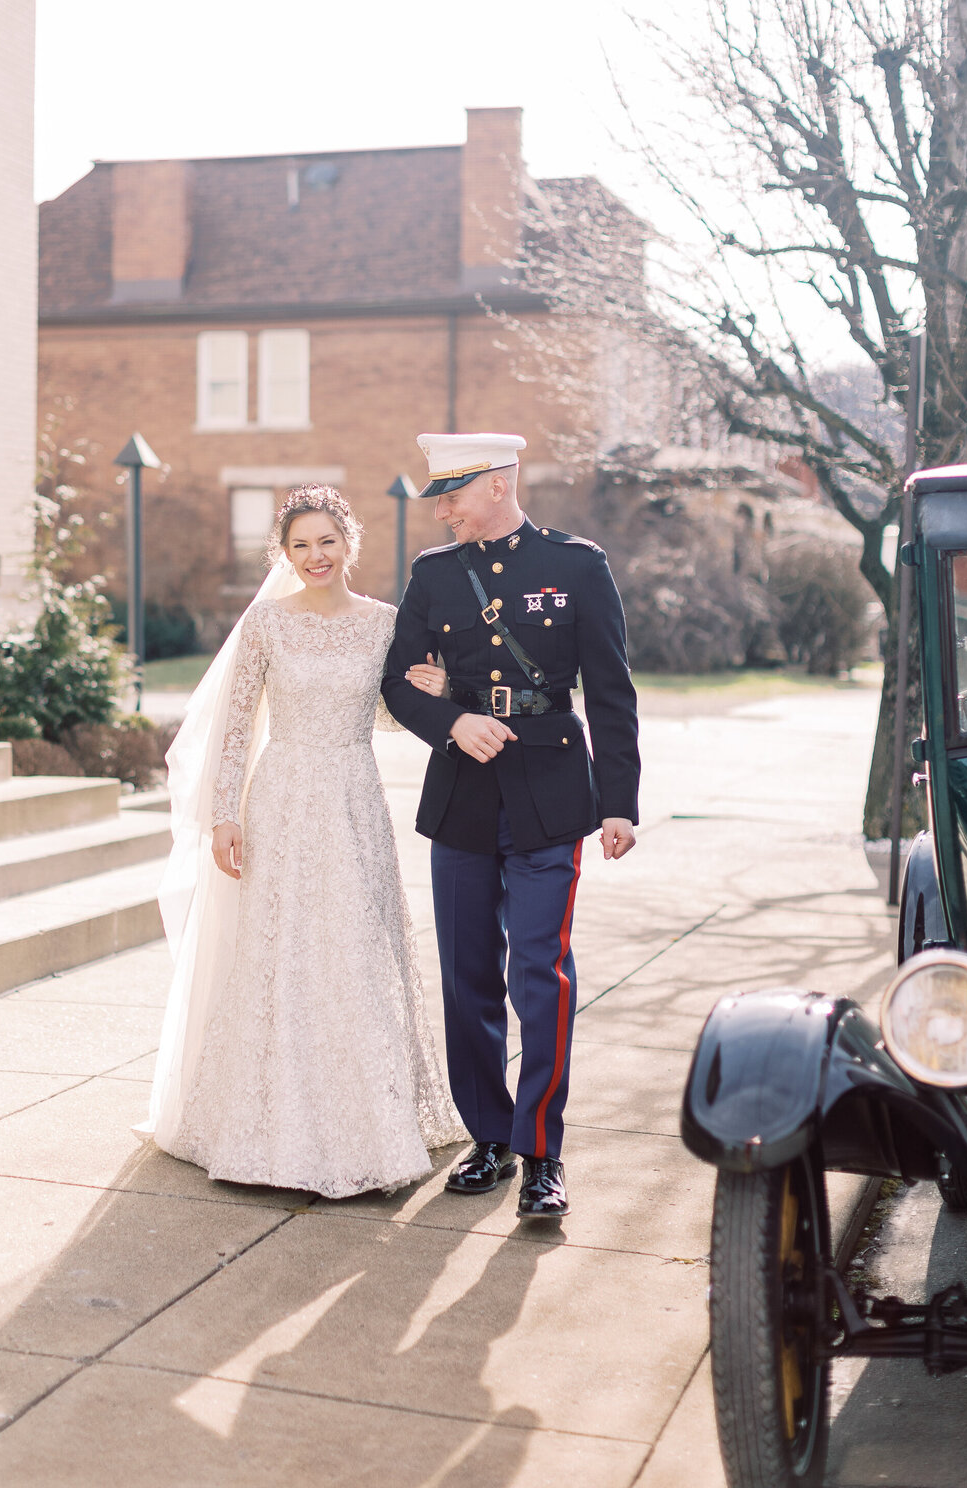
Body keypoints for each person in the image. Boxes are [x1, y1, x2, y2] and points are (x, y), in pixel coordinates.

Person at [139, 483, 462, 1197]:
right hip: (281, 799)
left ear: (349, 542)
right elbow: (235, 724)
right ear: (283, 554)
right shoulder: (266, 625)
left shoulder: (383, 623)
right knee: (283, 952)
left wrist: (432, 691)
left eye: (327, 541)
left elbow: (383, 712)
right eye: (300, 545)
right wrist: (224, 813)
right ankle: (269, 1126)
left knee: (353, 949)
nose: (315, 555)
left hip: (351, 798)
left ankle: (369, 1125)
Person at [382, 432, 641, 1219]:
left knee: (541, 975)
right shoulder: (433, 574)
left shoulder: (576, 565)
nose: (443, 510)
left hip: (552, 791)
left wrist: (619, 800)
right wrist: (451, 720)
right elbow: (397, 680)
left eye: (452, 495)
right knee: (466, 974)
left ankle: (541, 1153)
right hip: (462, 790)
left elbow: (610, 688)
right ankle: (487, 1137)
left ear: (497, 484)